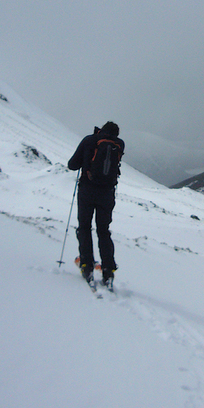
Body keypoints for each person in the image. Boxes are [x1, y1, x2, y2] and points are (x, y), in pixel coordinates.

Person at [67, 121, 125, 287]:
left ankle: (86, 265)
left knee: (84, 227)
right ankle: (108, 270)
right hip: (107, 194)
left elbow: (72, 165)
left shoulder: (89, 140)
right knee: (103, 231)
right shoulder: (119, 144)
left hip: (87, 190)